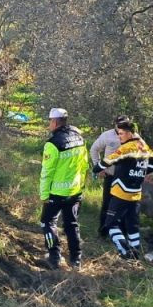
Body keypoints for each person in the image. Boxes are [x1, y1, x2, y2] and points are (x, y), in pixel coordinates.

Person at [98, 120, 153, 260]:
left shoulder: (126, 147)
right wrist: (142, 171)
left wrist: (97, 168)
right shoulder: (143, 145)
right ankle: (135, 254)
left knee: (111, 224)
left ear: (129, 133)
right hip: (135, 194)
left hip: (120, 193)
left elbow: (109, 160)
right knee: (132, 225)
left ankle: (124, 251)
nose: (119, 136)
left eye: (121, 133)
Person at [39, 108, 90, 269]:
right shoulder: (79, 139)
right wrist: (81, 186)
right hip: (75, 191)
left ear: (54, 122)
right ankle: (76, 260)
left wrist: (44, 194)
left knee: (47, 222)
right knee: (72, 224)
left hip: (56, 192)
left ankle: (54, 257)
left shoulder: (53, 144)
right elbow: (84, 166)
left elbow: (47, 172)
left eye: (49, 121)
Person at [89, 116, 130, 238]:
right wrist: (98, 167)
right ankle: (103, 232)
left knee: (125, 205)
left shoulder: (133, 136)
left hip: (127, 178)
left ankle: (124, 233)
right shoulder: (107, 135)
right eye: (120, 124)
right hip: (111, 176)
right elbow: (94, 150)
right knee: (107, 205)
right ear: (115, 124)